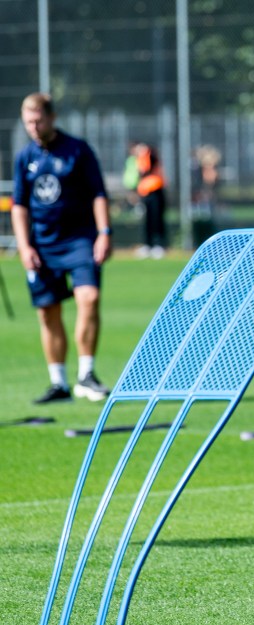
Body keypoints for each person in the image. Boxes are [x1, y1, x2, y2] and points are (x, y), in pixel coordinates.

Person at [11, 92, 112, 404]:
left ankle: (86, 376)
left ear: (52, 117)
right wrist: (24, 246)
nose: (33, 126)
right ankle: (59, 384)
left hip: (79, 240)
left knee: (89, 297)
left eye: (38, 119)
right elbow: (19, 207)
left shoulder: (77, 150)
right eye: (28, 121)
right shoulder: (25, 158)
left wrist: (104, 232)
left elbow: (98, 193)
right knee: (48, 312)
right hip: (42, 245)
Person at [135, 143, 167, 259]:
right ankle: (147, 244)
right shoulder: (138, 159)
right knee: (147, 220)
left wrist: (145, 152)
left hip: (156, 192)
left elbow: (148, 168)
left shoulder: (151, 157)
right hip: (146, 193)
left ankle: (158, 244)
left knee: (157, 219)